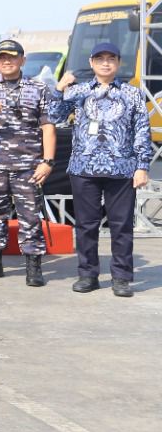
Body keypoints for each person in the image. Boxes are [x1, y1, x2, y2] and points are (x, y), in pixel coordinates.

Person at [53, 42, 150, 297]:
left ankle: (121, 278)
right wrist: (59, 89)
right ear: (91, 63)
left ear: (118, 63)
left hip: (121, 169)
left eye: (110, 59)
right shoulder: (79, 91)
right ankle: (88, 275)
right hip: (84, 168)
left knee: (121, 226)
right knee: (86, 225)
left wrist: (142, 166)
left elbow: (142, 130)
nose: (105, 63)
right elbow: (54, 117)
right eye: (100, 59)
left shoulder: (133, 94)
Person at [0, 40, 56, 286]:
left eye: (12, 57)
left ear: (22, 60)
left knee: (31, 216)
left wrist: (48, 161)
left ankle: (34, 267)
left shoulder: (38, 88)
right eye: (2, 57)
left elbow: (48, 126)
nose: (7, 61)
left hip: (28, 165)